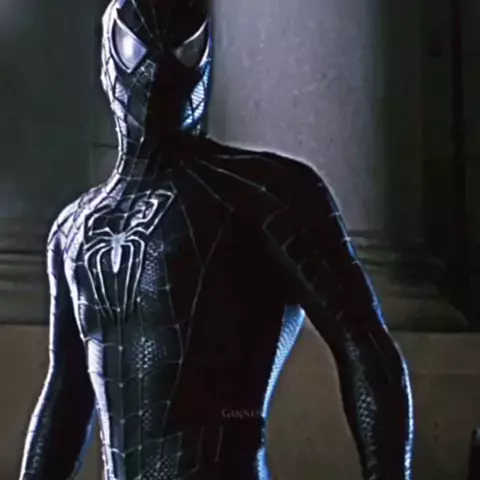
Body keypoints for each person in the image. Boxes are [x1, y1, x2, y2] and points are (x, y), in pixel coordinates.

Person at [19, 0, 414, 478]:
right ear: (109, 58)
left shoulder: (264, 193)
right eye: (140, 48)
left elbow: (362, 344)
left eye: (181, 48)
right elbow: (66, 397)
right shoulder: (75, 229)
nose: (159, 70)